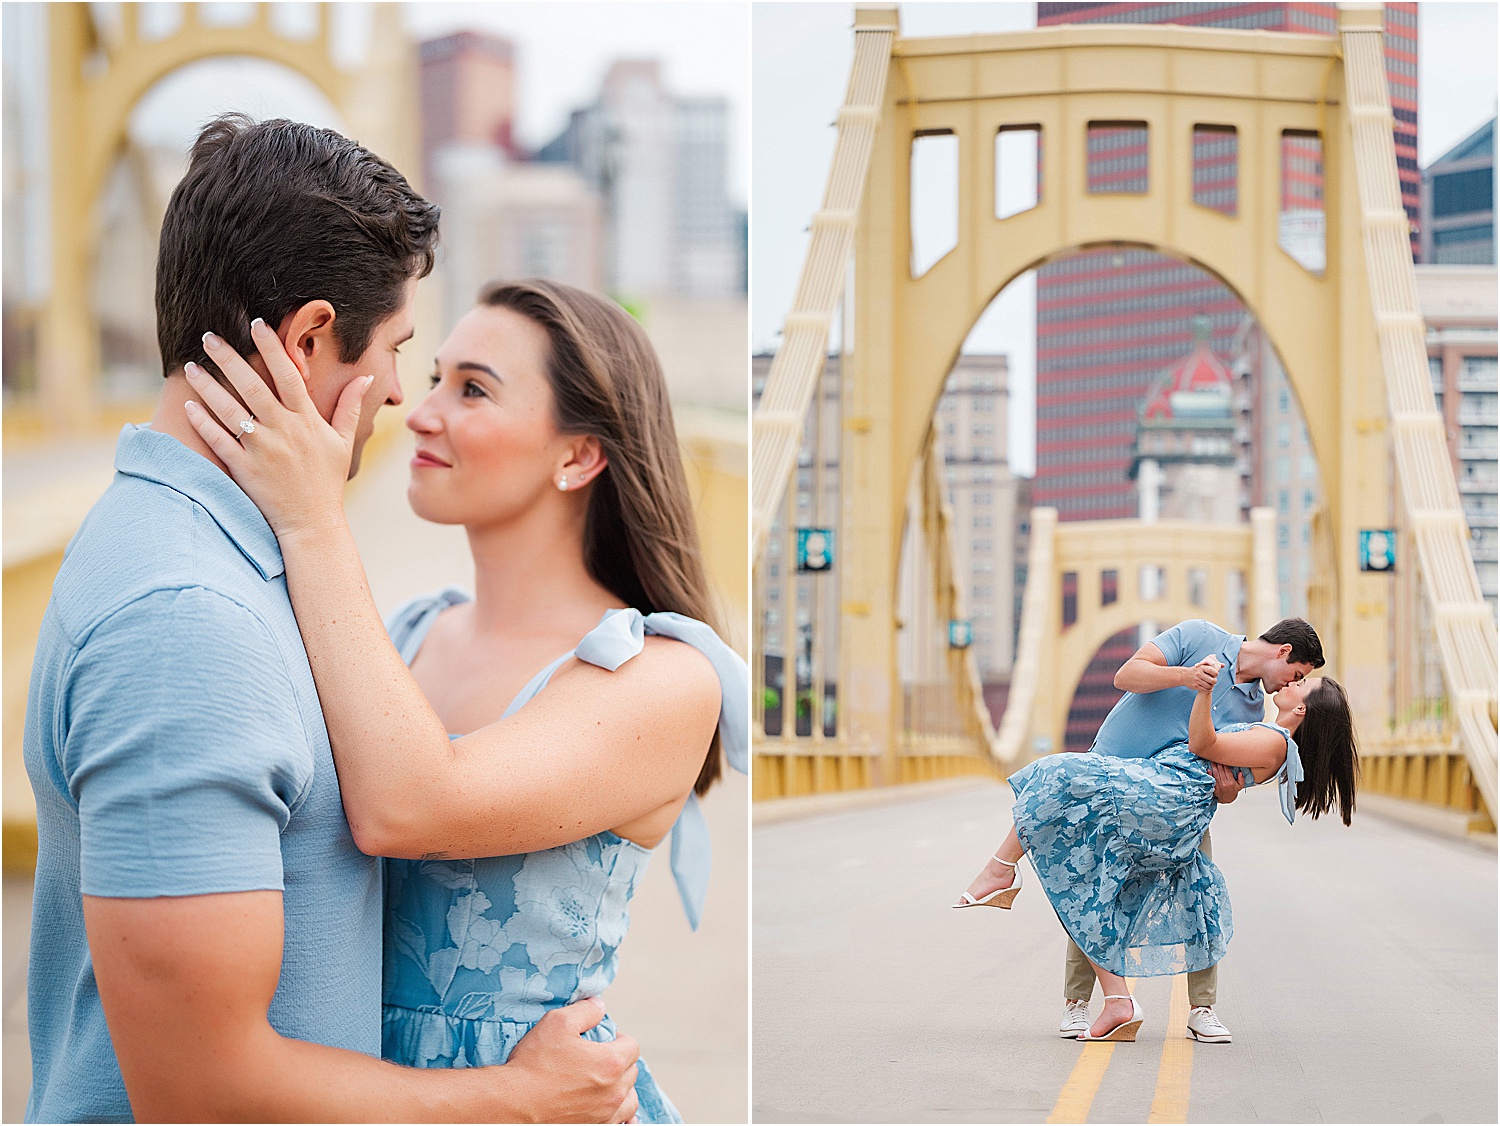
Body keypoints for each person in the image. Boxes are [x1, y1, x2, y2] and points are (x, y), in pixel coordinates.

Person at [23, 117, 637, 1123]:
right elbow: (199, 1089)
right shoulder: (187, 624)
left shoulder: (207, 550)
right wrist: (516, 1101)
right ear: (310, 338)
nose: (402, 393)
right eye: (399, 350)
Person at [183, 275, 747, 1123]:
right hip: (344, 1091)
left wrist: (311, 520)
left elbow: (409, 805)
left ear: (578, 455)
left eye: (473, 389)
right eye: (435, 375)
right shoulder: (406, 637)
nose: (421, 411)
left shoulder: (663, 679)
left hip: (543, 1106)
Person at [957, 616, 1324, 1043]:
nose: (1285, 686)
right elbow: (1126, 674)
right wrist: (1189, 677)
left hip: (1172, 801)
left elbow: (1223, 771)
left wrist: (1227, 793)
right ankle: (1078, 1003)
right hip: (1116, 770)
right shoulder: (1198, 636)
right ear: (1283, 652)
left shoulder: (1252, 709)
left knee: (1198, 887)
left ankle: (1201, 1008)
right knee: (1094, 878)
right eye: (1294, 675)